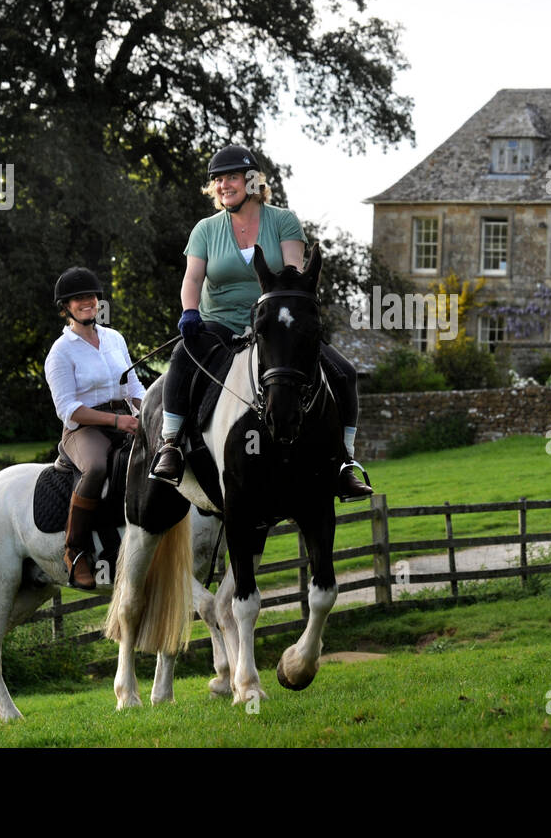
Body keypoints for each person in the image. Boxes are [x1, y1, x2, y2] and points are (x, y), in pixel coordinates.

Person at [149, 145, 372, 501]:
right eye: (218, 180)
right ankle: (171, 445)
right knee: (180, 357)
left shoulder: (283, 221)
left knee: (343, 373)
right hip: (219, 322)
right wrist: (189, 312)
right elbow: (192, 280)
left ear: (252, 182)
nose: (223, 185)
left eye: (231, 177)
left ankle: (345, 462)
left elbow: (294, 271)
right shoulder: (205, 230)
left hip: (274, 325)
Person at [44, 267, 145, 588]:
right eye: (78, 300)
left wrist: (149, 415)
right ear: (66, 308)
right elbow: (68, 409)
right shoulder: (61, 352)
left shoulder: (115, 338)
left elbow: (134, 387)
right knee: (97, 467)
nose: (86, 303)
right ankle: (75, 550)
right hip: (83, 428)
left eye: (90, 297)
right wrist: (117, 420)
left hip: (125, 419)